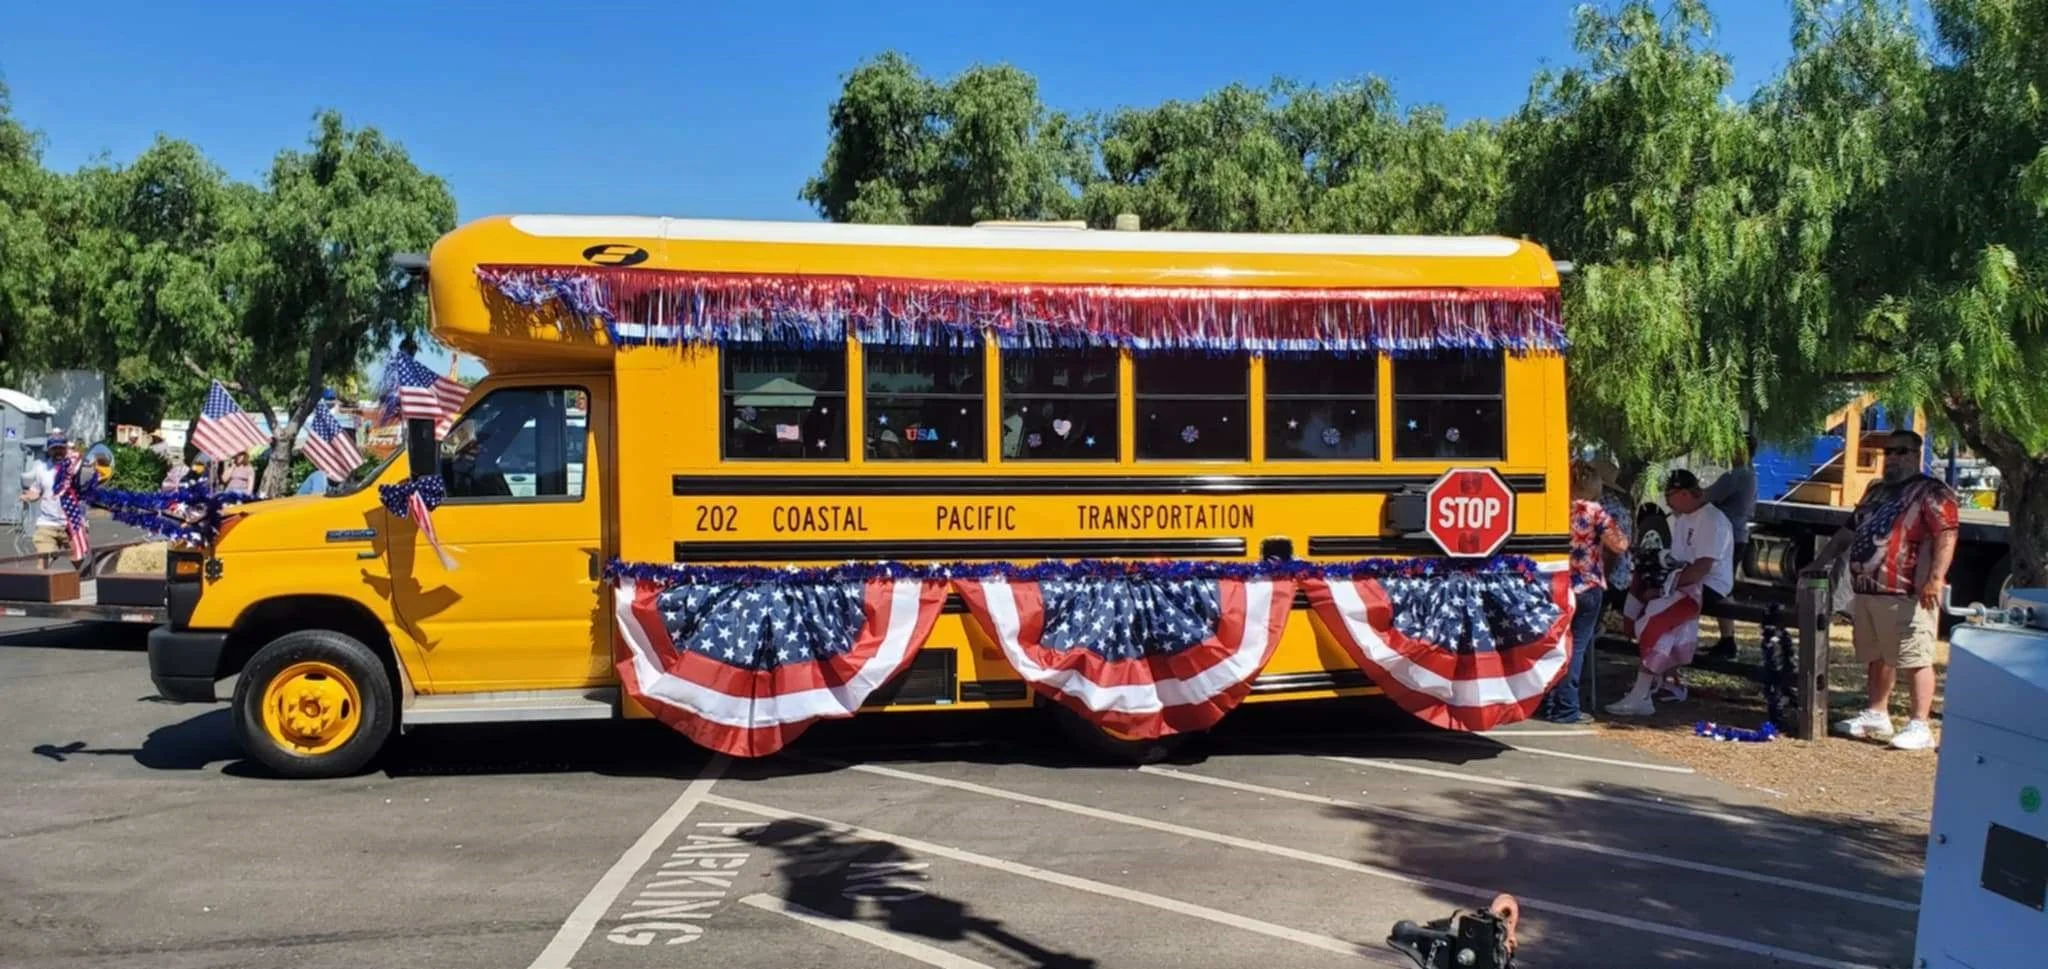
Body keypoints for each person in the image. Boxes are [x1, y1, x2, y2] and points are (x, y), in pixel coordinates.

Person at [1803, 428, 1957, 751]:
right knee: (1877, 656)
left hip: (1908, 591)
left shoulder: (1931, 492)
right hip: (1870, 590)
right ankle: (1876, 712)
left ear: (1917, 455)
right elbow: (1848, 531)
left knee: (1916, 656)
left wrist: (1935, 578)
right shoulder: (1876, 492)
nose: (1893, 458)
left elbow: (1946, 535)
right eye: (1889, 452)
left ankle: (1919, 724)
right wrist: (1821, 561)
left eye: (1901, 451)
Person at [1606, 469, 1733, 716]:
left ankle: (1642, 691)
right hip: (1682, 580)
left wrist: (1663, 589)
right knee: (1639, 605)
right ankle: (1662, 681)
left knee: (1658, 617)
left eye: (1670, 495)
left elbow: (1701, 568)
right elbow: (1677, 559)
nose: (1667, 502)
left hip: (1708, 585)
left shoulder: (1712, 520)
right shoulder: (1684, 518)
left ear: (1686, 493)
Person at [1538, 462, 1629, 724]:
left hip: (1557, 583)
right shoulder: (1594, 512)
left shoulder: (1556, 506)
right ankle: (1567, 707)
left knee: (1555, 643)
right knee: (1576, 647)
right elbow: (1619, 544)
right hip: (1587, 583)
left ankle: (1548, 701)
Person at [1703, 431, 1758, 658]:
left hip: (1728, 538)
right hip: (1739, 535)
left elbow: (1706, 495)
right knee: (1726, 586)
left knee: (1720, 587)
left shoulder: (1735, 476)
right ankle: (1727, 639)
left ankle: (1728, 640)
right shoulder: (1751, 475)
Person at [17, 433, 88, 571]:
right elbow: (37, 490)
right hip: (47, 523)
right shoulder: (42, 469)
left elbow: (88, 481)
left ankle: (81, 588)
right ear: (48, 450)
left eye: (61, 448)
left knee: (79, 563)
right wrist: (30, 496)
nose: (58, 452)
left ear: (66, 449)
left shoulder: (75, 468)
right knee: (43, 561)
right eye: (54, 449)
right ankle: (41, 590)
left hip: (71, 523)